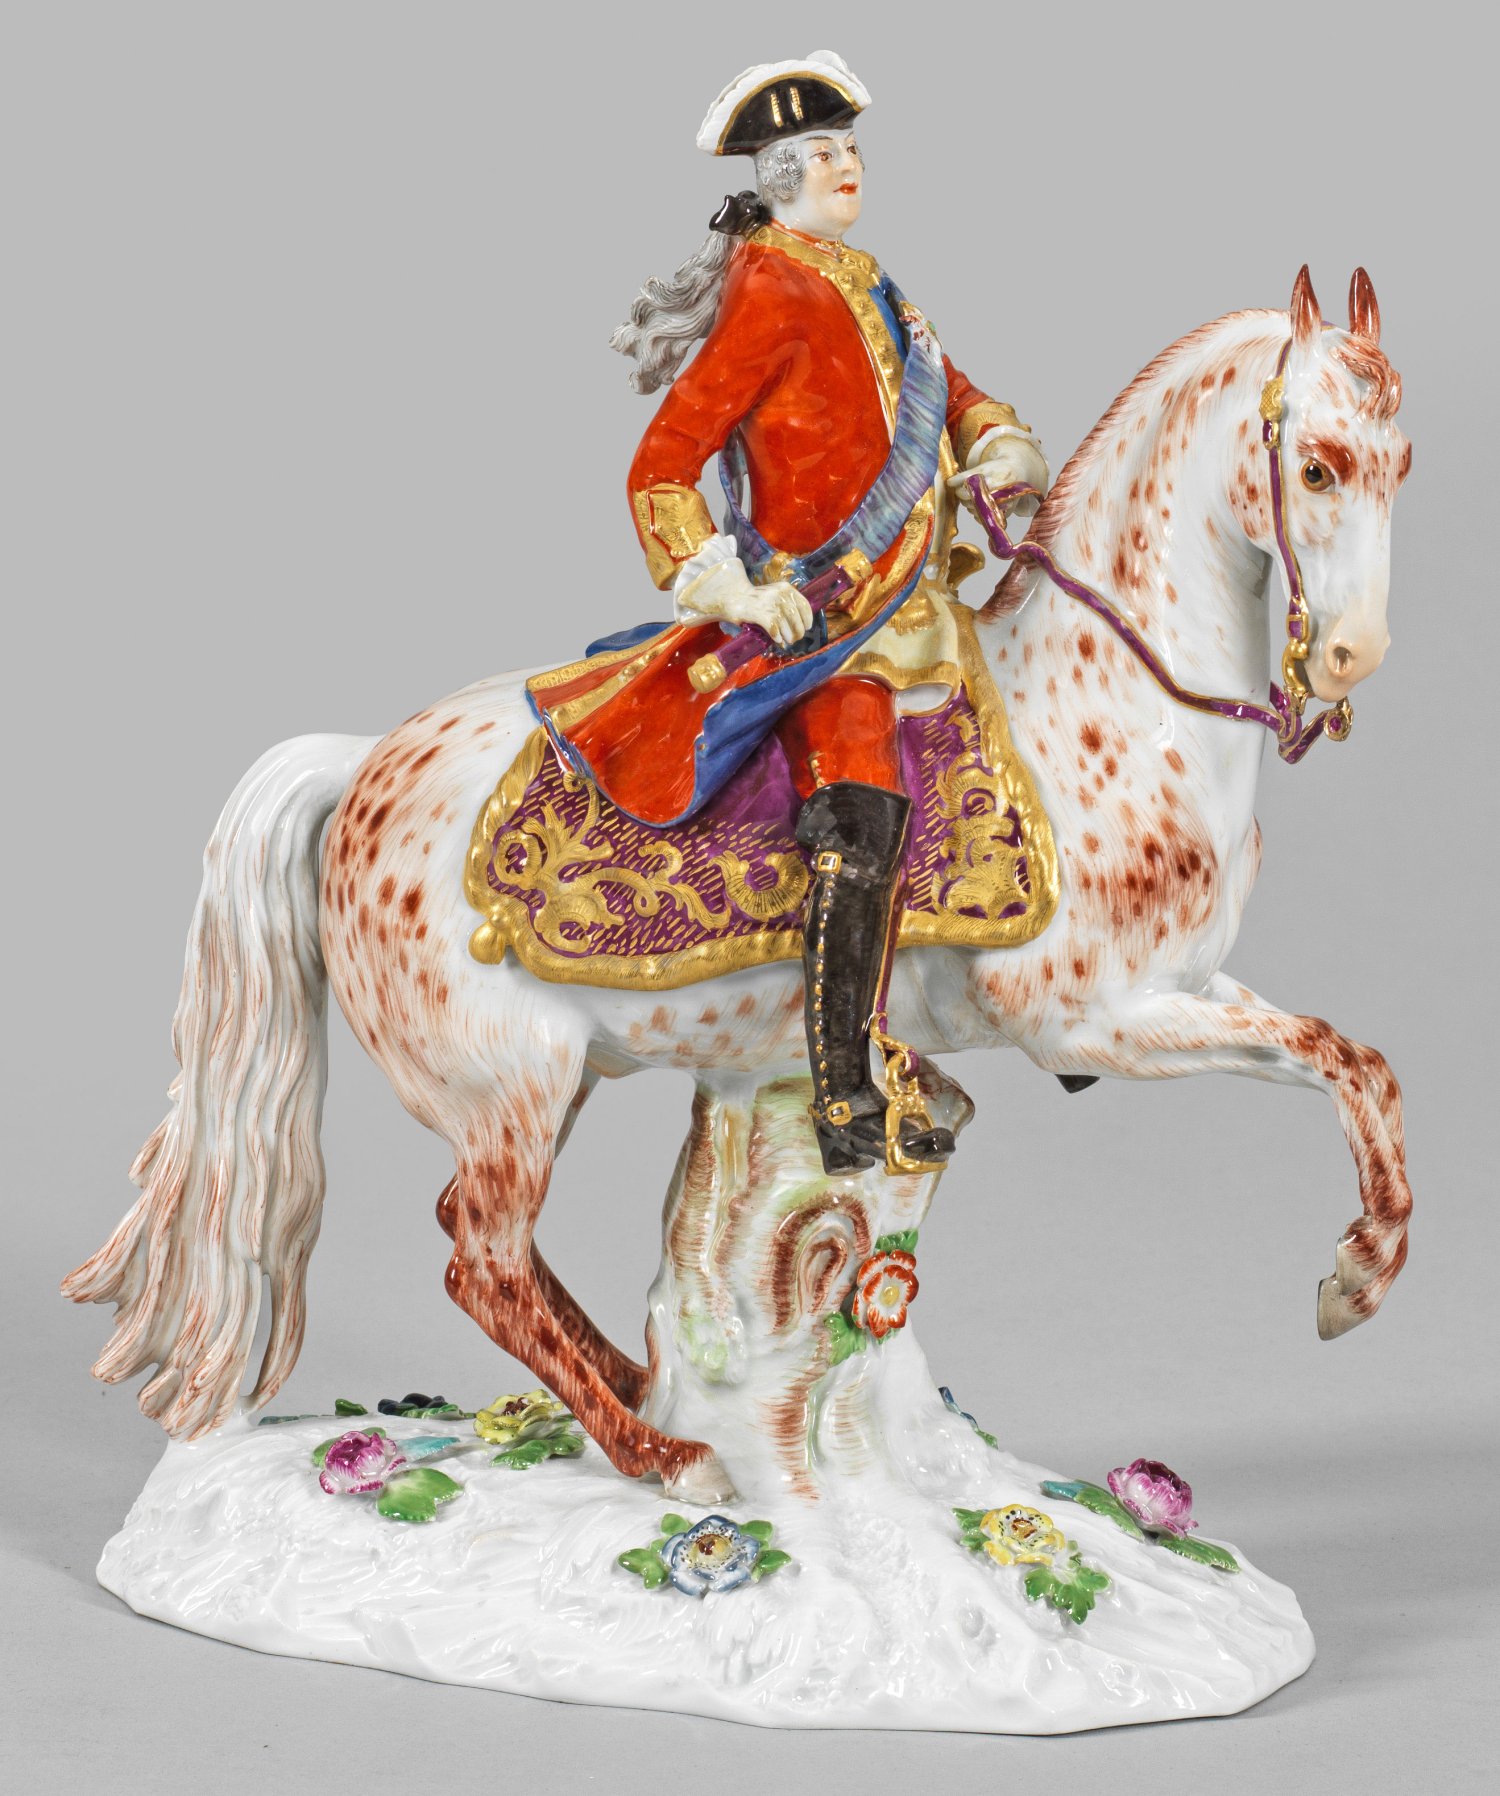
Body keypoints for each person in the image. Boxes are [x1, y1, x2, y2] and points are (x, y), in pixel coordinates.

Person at [528, 51, 1048, 1176]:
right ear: (775, 178)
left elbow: (948, 391)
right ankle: (845, 1096)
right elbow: (663, 464)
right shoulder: (771, 288)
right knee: (863, 820)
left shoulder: (865, 277)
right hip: (826, 620)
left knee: (1035, 748)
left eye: (850, 148)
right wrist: (734, 587)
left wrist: (1000, 441)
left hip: (919, 594)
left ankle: (1060, 996)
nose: (846, 165)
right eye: (821, 154)